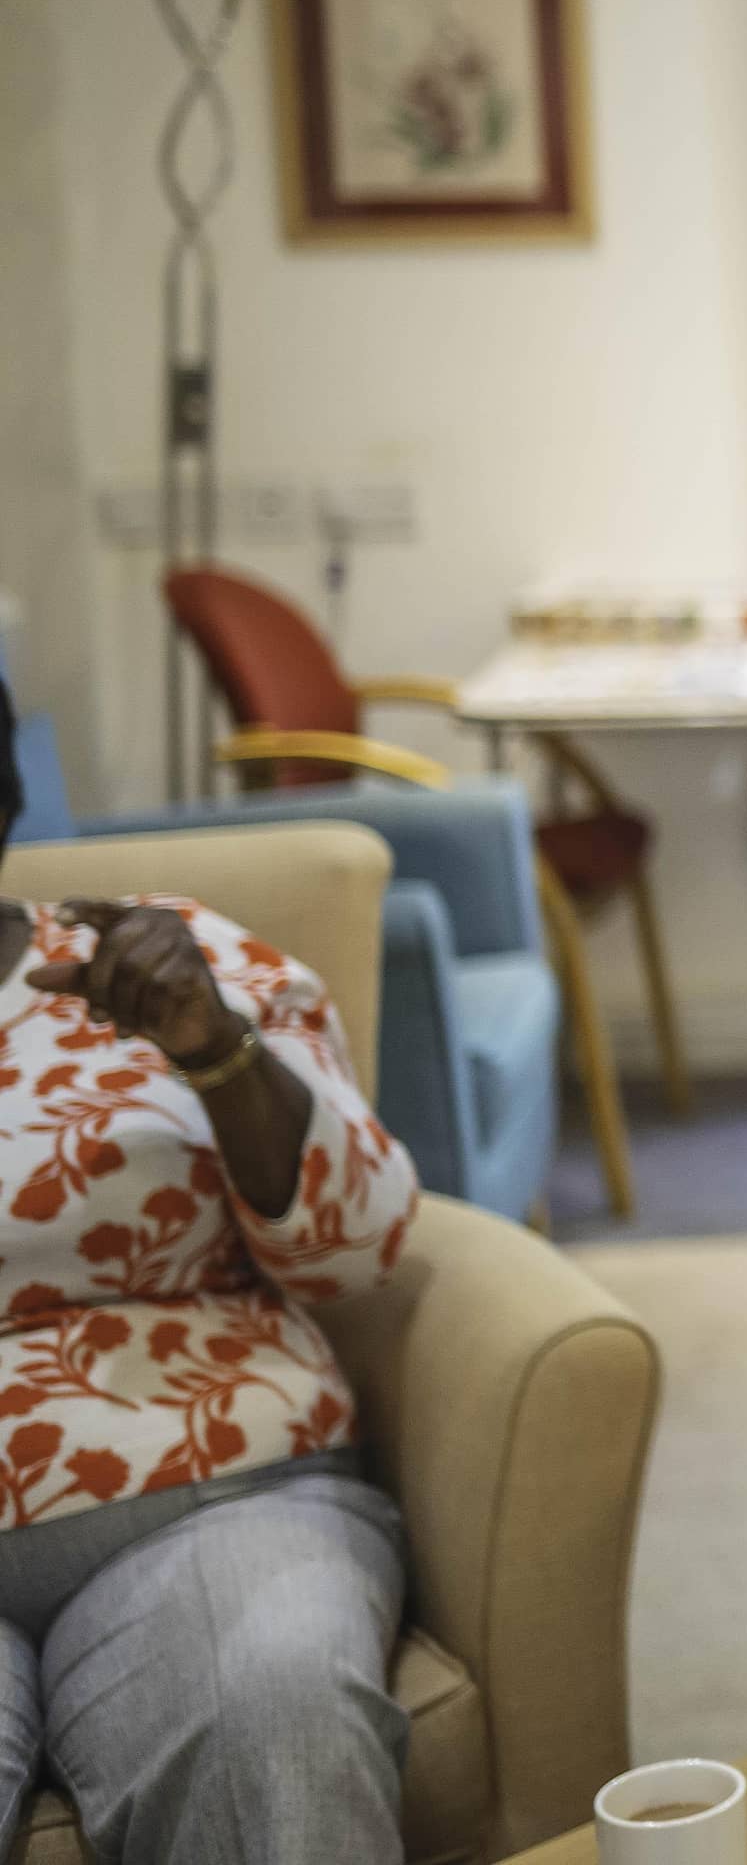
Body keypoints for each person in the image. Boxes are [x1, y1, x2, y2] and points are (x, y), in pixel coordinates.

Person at [0, 677, 422, 1863]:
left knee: (276, 1714)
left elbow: (360, 1243)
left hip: (214, 1497)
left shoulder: (162, 956)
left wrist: (213, 1044)